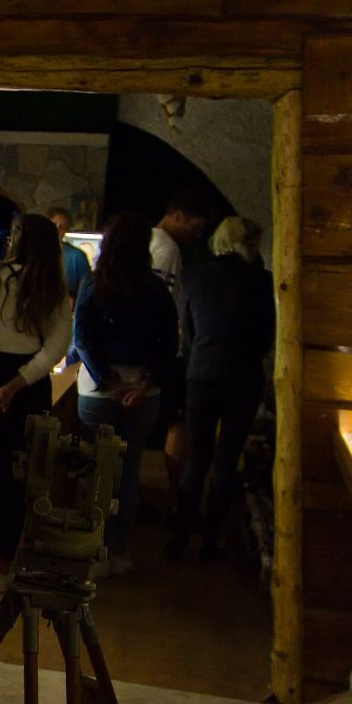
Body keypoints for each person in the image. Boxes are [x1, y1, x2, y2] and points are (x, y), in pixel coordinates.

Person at [0, 213, 73, 593]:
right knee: (18, 477)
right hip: (29, 386)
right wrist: (13, 387)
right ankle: (3, 566)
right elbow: (55, 349)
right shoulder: (53, 288)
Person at [72, 211, 178, 578]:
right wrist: (144, 384)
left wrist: (109, 381)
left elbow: (83, 338)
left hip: (98, 390)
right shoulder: (156, 289)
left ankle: (93, 550)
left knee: (96, 470)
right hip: (144, 390)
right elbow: (169, 343)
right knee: (129, 470)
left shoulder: (93, 283)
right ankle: (119, 551)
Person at [167, 216, 275, 561]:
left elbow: (188, 329)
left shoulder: (194, 276)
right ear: (250, 245)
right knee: (227, 460)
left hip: (202, 373)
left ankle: (179, 538)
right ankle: (211, 543)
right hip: (243, 377)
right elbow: (267, 336)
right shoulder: (261, 281)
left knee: (197, 457)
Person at [149, 190, 217, 509]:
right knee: (176, 423)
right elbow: (161, 303)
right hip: (161, 351)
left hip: (148, 349)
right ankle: (176, 498)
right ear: (177, 216)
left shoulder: (147, 240)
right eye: (194, 226)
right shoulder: (168, 249)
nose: (197, 235)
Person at [48, 205, 92, 301]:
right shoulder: (34, 252)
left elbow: (86, 292)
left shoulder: (77, 256)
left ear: (66, 230)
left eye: (62, 226)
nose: (57, 229)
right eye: (54, 224)